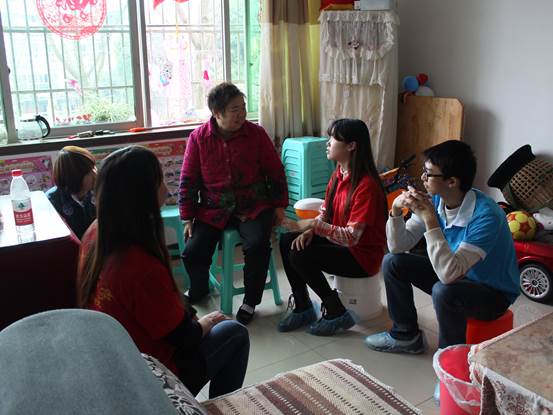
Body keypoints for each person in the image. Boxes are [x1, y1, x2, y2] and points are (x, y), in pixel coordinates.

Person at [78, 145, 249, 399]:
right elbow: (184, 337)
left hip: (116, 362)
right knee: (234, 333)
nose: (167, 189)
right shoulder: (137, 264)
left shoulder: (95, 232)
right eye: (160, 180)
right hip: (151, 377)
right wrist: (208, 321)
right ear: (142, 193)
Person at [364, 140, 519, 354]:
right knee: (392, 262)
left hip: (493, 293)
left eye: (428, 174)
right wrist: (397, 210)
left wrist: (430, 220)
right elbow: (398, 247)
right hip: (457, 272)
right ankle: (405, 336)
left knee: (444, 291)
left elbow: (448, 275)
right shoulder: (437, 200)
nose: (422, 178)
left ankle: (449, 359)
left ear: (452, 181)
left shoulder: (487, 216)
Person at [179, 82, 288, 325]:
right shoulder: (198, 138)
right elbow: (188, 179)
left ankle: (251, 300)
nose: (241, 114)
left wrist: (280, 205)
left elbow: (275, 171)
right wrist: (187, 216)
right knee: (192, 251)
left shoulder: (256, 134)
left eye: (243, 107)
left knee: (257, 245)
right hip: (213, 209)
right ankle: (199, 288)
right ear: (216, 113)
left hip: (253, 206)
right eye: (234, 109)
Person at [278, 118, 388, 336]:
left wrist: (313, 225)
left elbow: (352, 237)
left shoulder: (366, 186)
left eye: (333, 138)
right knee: (288, 240)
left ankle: (336, 311)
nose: (328, 143)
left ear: (351, 145)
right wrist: (311, 231)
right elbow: (326, 212)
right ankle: (303, 305)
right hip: (341, 243)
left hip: (361, 256)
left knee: (299, 255)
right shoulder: (339, 174)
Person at [46, 145, 96, 239]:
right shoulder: (53, 201)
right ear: (74, 177)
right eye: (88, 172)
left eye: (94, 167)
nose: (95, 174)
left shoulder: (97, 192)